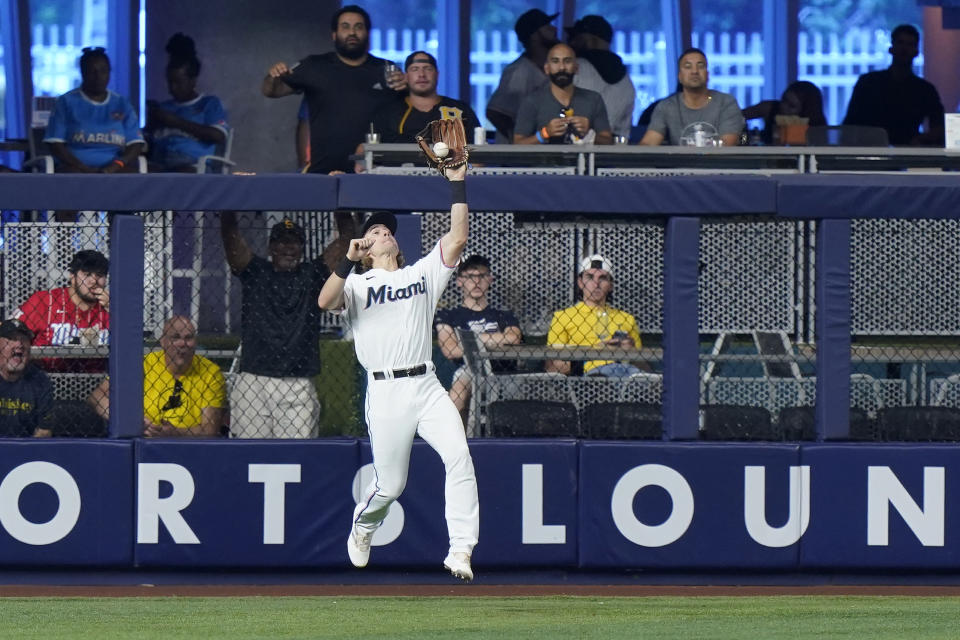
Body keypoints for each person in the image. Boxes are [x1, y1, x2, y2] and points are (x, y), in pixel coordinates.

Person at [317, 162, 479, 582]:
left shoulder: (420, 274)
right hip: (386, 392)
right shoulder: (355, 284)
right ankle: (364, 526)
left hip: (425, 384)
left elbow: (458, 237)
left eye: (387, 229)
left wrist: (457, 182)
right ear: (365, 247)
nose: (382, 231)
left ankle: (460, 549)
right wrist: (346, 263)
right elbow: (324, 301)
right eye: (373, 231)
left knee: (459, 456)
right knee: (390, 487)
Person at [261, 5, 406, 174]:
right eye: (345, 26)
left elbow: (409, 111)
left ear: (367, 34)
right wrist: (273, 76)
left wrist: (408, 85)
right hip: (323, 172)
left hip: (374, 173)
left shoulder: (386, 69)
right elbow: (271, 91)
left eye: (358, 27)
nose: (352, 32)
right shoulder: (314, 66)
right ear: (334, 35)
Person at [220, 215, 329, 438]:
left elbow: (344, 247)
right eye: (281, 241)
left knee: (297, 457)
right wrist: (228, 211)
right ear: (271, 247)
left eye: (295, 241)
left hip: (297, 380)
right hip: (254, 379)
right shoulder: (257, 271)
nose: (288, 247)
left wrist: (344, 212)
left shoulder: (312, 274)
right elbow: (232, 243)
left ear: (302, 248)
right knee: (250, 453)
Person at [87, 316, 225, 437]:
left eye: (188, 338)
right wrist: (128, 422)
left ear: (195, 343)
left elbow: (210, 430)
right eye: (175, 337)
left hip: (190, 447)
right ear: (163, 342)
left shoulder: (210, 373)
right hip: (143, 440)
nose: (182, 344)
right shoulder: (143, 364)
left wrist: (175, 433)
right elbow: (97, 396)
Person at [354, 51, 482, 172]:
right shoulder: (389, 111)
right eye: (415, 69)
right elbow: (364, 148)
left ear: (437, 74)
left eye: (427, 68)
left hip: (449, 184)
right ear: (406, 76)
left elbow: (479, 154)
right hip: (396, 183)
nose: (422, 74)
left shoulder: (459, 110)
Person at [434, 255, 522, 426]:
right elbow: (451, 349)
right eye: (469, 277)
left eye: (481, 276)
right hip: (470, 368)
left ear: (490, 279)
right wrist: (496, 339)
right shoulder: (448, 316)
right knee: (459, 388)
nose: (476, 282)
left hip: (503, 370)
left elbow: (513, 338)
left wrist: (468, 340)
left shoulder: (504, 315)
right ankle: (451, 438)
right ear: (460, 281)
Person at [43, 46, 145, 173]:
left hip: (114, 168)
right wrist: (82, 167)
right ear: (82, 73)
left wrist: (117, 164)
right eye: (92, 72)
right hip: (75, 168)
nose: (98, 77)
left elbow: (135, 143)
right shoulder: (65, 102)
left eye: (103, 71)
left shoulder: (122, 103)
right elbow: (55, 144)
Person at [843, 24, 944, 146]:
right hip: (869, 150)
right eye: (901, 43)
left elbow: (939, 126)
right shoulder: (868, 82)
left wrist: (921, 140)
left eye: (909, 44)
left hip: (906, 152)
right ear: (891, 48)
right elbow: (850, 123)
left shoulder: (925, 90)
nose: (904, 49)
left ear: (916, 52)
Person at [544, 255, 643, 377]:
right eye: (590, 277)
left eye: (602, 278)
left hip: (628, 373)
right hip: (590, 377)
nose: (596, 284)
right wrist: (597, 353)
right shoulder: (563, 317)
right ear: (580, 283)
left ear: (611, 285)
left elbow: (645, 367)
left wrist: (631, 353)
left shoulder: (627, 318)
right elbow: (554, 367)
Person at [145, 33, 229, 172]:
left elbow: (218, 136)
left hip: (192, 164)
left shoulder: (209, 104)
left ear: (192, 80)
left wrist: (176, 122)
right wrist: (151, 124)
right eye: (170, 82)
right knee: (137, 174)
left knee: (182, 174)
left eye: (178, 82)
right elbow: (148, 142)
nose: (172, 87)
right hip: (159, 163)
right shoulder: (163, 108)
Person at [639, 48, 745, 147]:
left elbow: (727, 145)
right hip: (680, 166)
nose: (694, 71)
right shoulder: (666, 106)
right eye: (688, 66)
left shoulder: (726, 103)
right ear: (679, 76)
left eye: (700, 66)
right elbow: (649, 144)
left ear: (708, 74)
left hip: (717, 166)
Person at [513, 43, 613, 145]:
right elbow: (518, 143)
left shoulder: (593, 99)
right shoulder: (532, 101)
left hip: (583, 161)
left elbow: (608, 141)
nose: (562, 67)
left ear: (576, 68)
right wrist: (544, 134)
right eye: (555, 61)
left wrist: (590, 135)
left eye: (567, 61)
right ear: (547, 68)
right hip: (544, 160)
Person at [486, 9, 559, 143]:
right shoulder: (518, 71)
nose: (554, 29)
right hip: (518, 159)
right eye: (547, 27)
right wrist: (522, 138)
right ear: (534, 35)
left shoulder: (554, 68)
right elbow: (495, 112)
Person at [15, 249, 110, 348]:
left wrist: (113, 310)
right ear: (72, 277)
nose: (94, 281)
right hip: (47, 363)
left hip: (97, 364)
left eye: (99, 275)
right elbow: (9, 334)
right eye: (87, 275)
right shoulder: (44, 301)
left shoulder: (111, 307)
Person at [566, 15, 635, 139]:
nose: (571, 42)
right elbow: (623, 132)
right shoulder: (627, 81)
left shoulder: (575, 69)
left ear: (590, 39)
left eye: (576, 37)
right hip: (609, 151)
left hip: (573, 147)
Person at [0, 319, 54, 438]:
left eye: (24, 339)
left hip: (26, 452)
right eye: (12, 339)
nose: (19, 344)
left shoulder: (40, 381)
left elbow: (44, 431)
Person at [742, 81, 827, 145]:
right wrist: (744, 139)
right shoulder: (770, 108)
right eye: (783, 100)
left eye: (791, 106)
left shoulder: (816, 128)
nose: (783, 107)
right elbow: (735, 117)